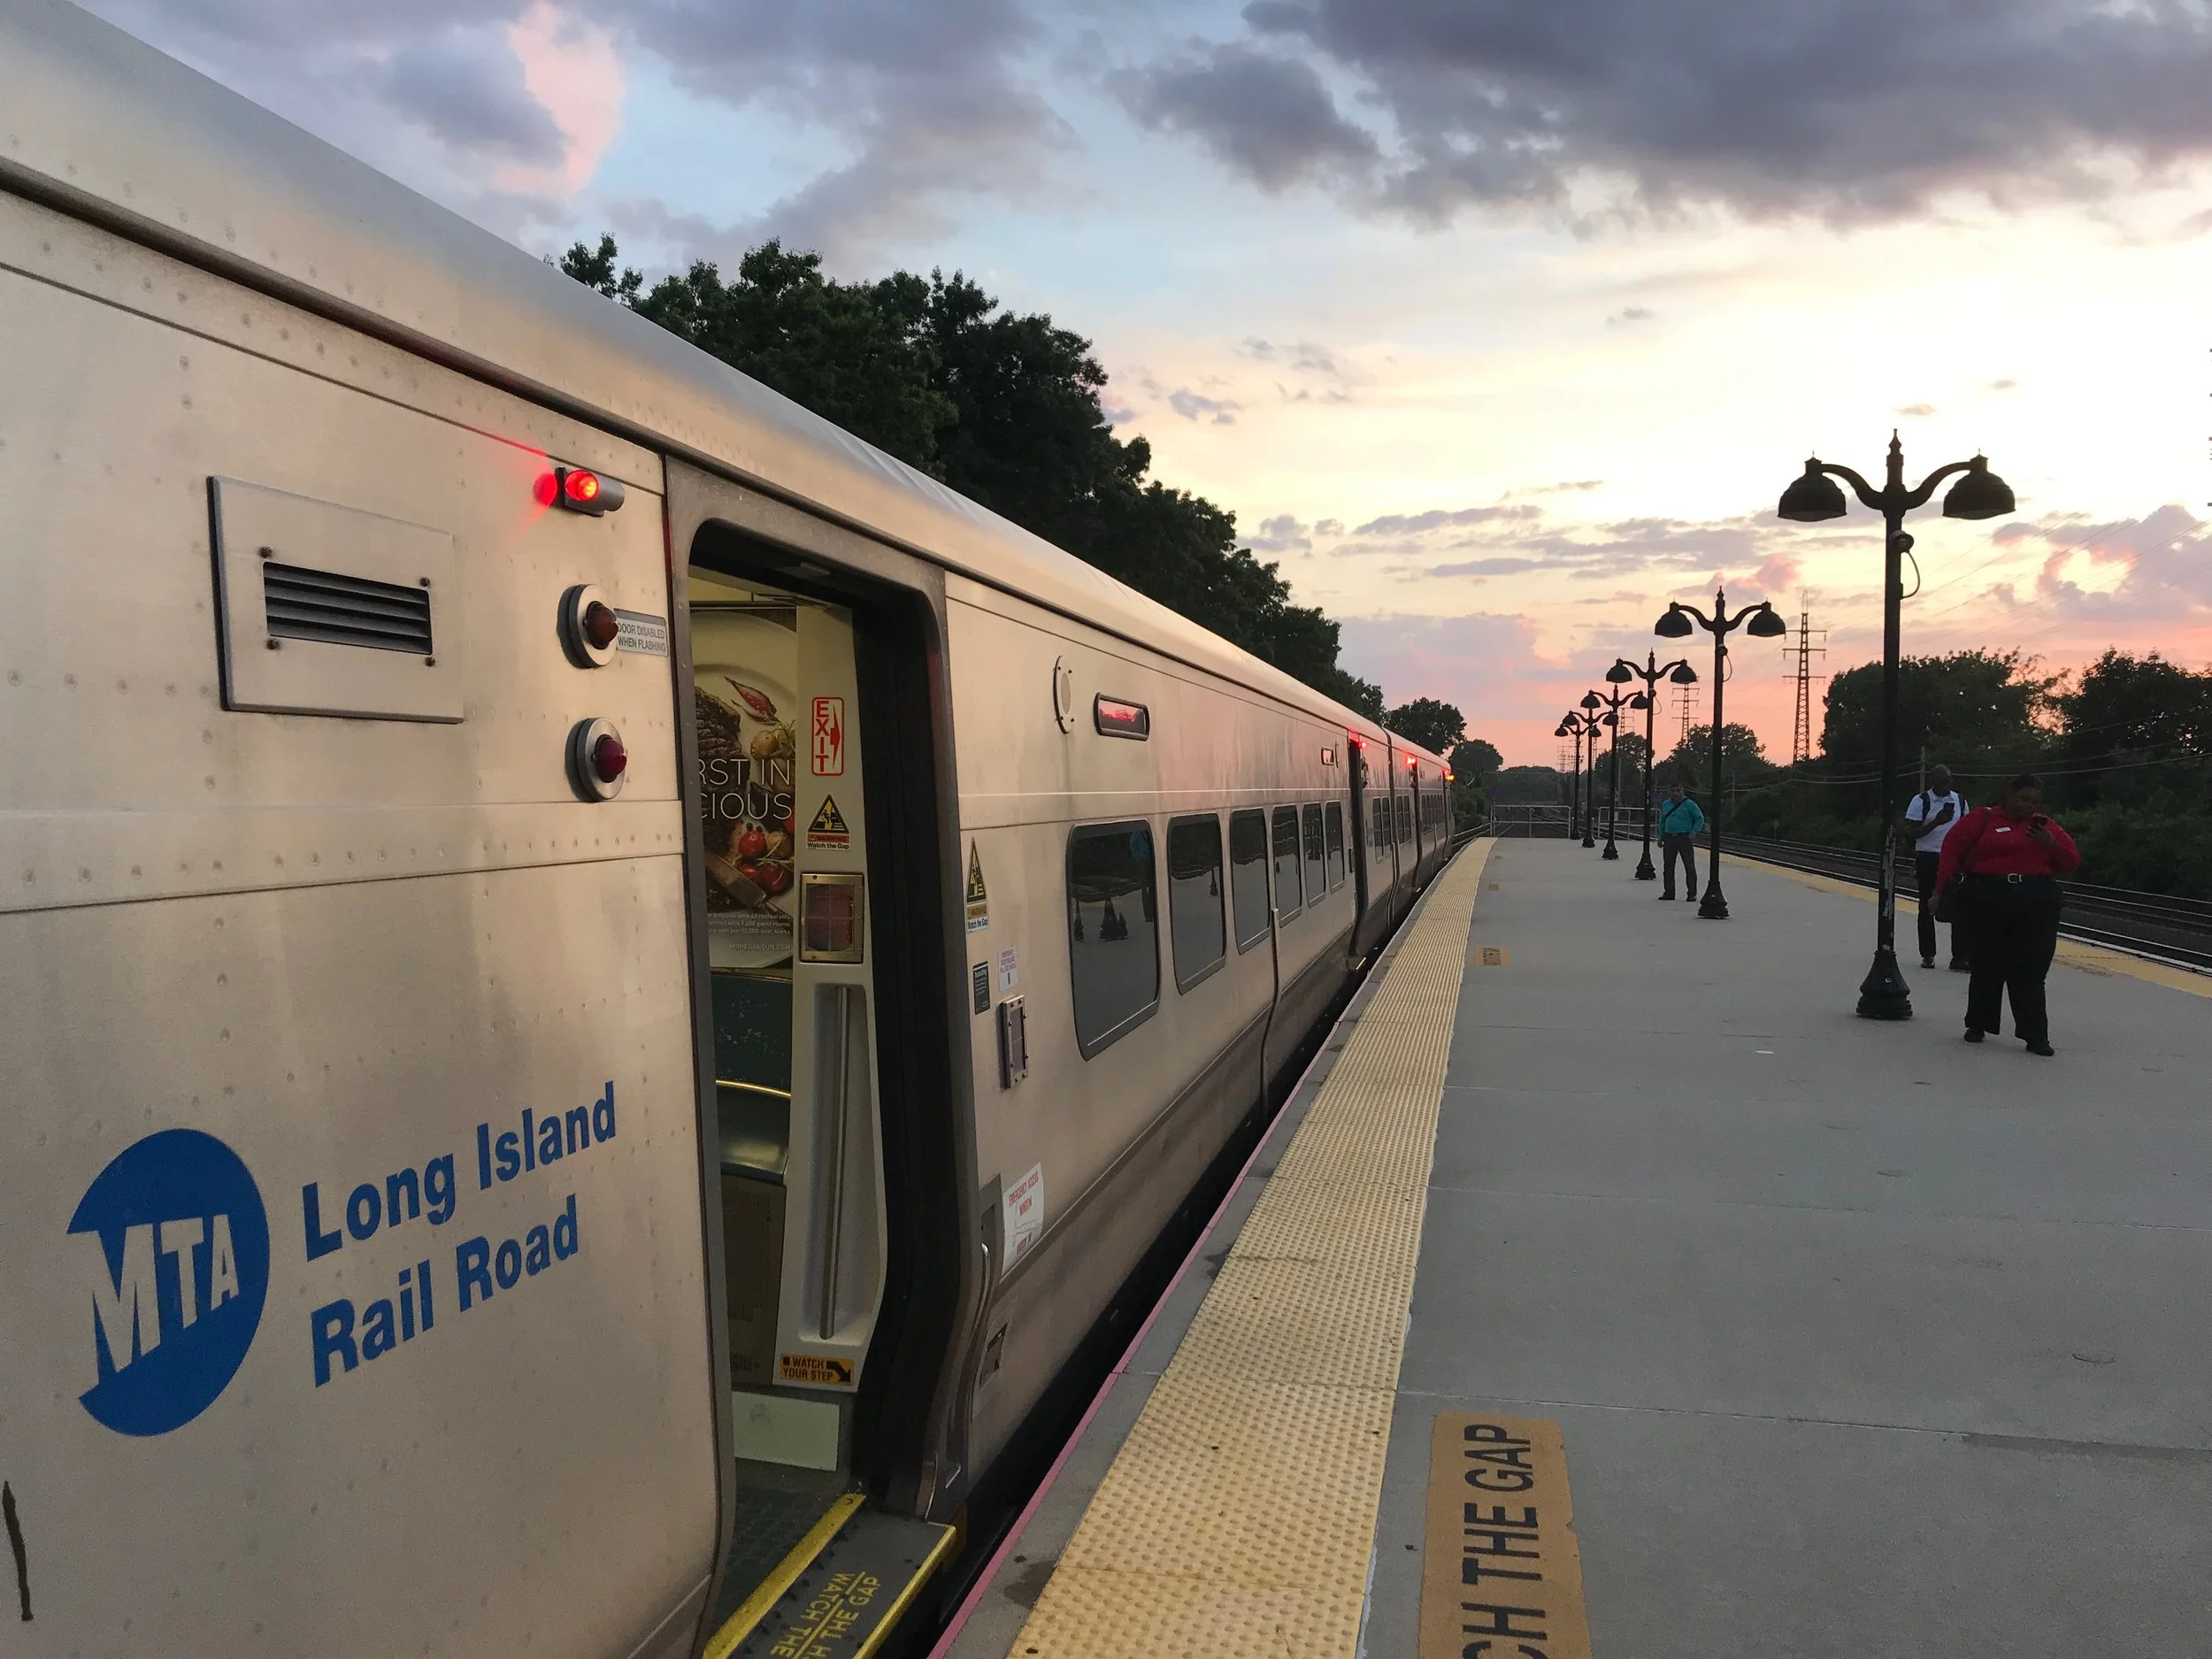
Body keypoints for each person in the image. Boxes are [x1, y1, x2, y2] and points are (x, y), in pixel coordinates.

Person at [1934, 773, 2079, 1056]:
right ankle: (1978, 1024)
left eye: (2035, 802)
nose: (2028, 806)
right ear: (2009, 795)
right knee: (1986, 963)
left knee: (2032, 969)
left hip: (2036, 901)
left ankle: (2035, 1035)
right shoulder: (1982, 819)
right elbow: (1951, 849)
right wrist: (1940, 891)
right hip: (1987, 897)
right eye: (2024, 798)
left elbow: (2071, 861)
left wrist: (2050, 844)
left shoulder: (2046, 828)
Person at [1903, 764, 1968, 971]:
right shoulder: (1921, 801)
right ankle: (1928, 954)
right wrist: (1936, 823)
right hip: (1928, 857)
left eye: (1949, 780)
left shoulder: (1959, 801)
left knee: (1958, 906)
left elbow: (1967, 829)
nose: (1946, 785)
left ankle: (1959, 956)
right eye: (1942, 781)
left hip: (1953, 858)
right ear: (1933, 782)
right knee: (1927, 905)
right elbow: (1911, 834)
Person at [1655, 780, 1704, 901]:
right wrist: (1661, 836)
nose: (1676, 793)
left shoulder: (1690, 804)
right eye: (1673, 791)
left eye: (1678, 790)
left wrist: (1694, 832)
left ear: (1683, 791)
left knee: (1689, 866)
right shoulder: (1666, 804)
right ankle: (1669, 892)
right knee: (1668, 867)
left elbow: (1699, 818)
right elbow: (1663, 821)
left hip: (1684, 838)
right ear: (1670, 792)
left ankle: (1692, 893)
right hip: (1669, 837)